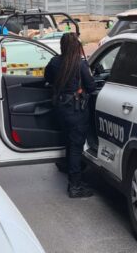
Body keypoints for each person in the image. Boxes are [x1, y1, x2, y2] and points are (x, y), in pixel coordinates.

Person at [44, 32, 96, 198]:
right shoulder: (80, 65)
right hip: (76, 111)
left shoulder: (54, 62)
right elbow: (92, 86)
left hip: (60, 109)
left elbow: (47, 77)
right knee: (76, 148)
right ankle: (75, 186)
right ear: (76, 47)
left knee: (69, 141)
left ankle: (69, 170)